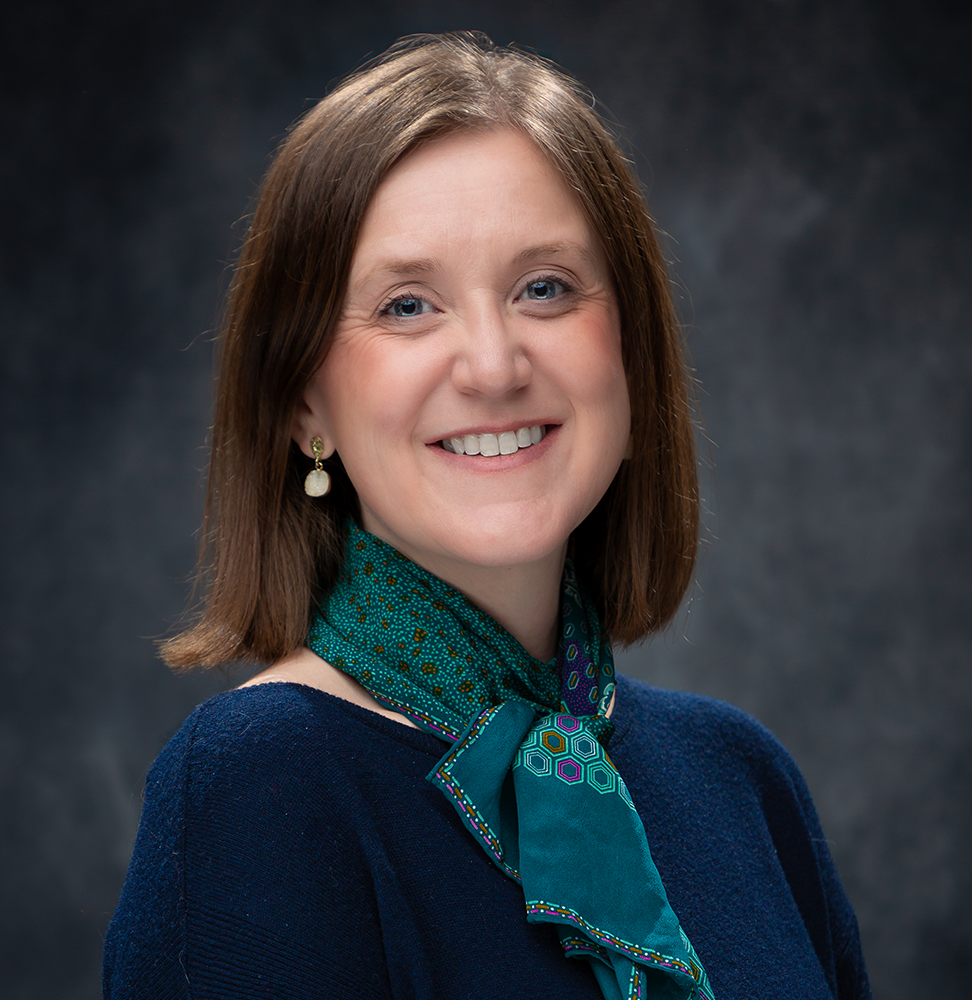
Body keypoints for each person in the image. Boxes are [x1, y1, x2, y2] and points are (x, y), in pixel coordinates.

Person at [103, 32, 871, 1000]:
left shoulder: (742, 778)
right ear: (304, 404)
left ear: (628, 356)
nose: (495, 364)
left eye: (543, 288)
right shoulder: (257, 784)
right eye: (407, 305)